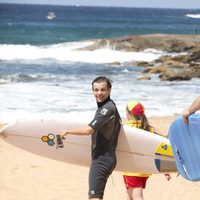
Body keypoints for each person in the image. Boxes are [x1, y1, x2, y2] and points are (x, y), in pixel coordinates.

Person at [60, 76, 121, 200]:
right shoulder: (109, 106)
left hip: (102, 160)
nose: (99, 93)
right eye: (96, 90)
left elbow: (89, 130)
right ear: (92, 91)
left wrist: (68, 131)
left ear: (109, 90)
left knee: (94, 197)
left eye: (103, 90)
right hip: (104, 157)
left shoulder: (107, 109)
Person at [122, 100, 171, 200]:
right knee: (129, 194)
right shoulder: (148, 129)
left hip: (132, 169)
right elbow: (158, 150)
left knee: (137, 196)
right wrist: (165, 169)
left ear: (129, 113)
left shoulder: (125, 129)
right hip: (144, 169)